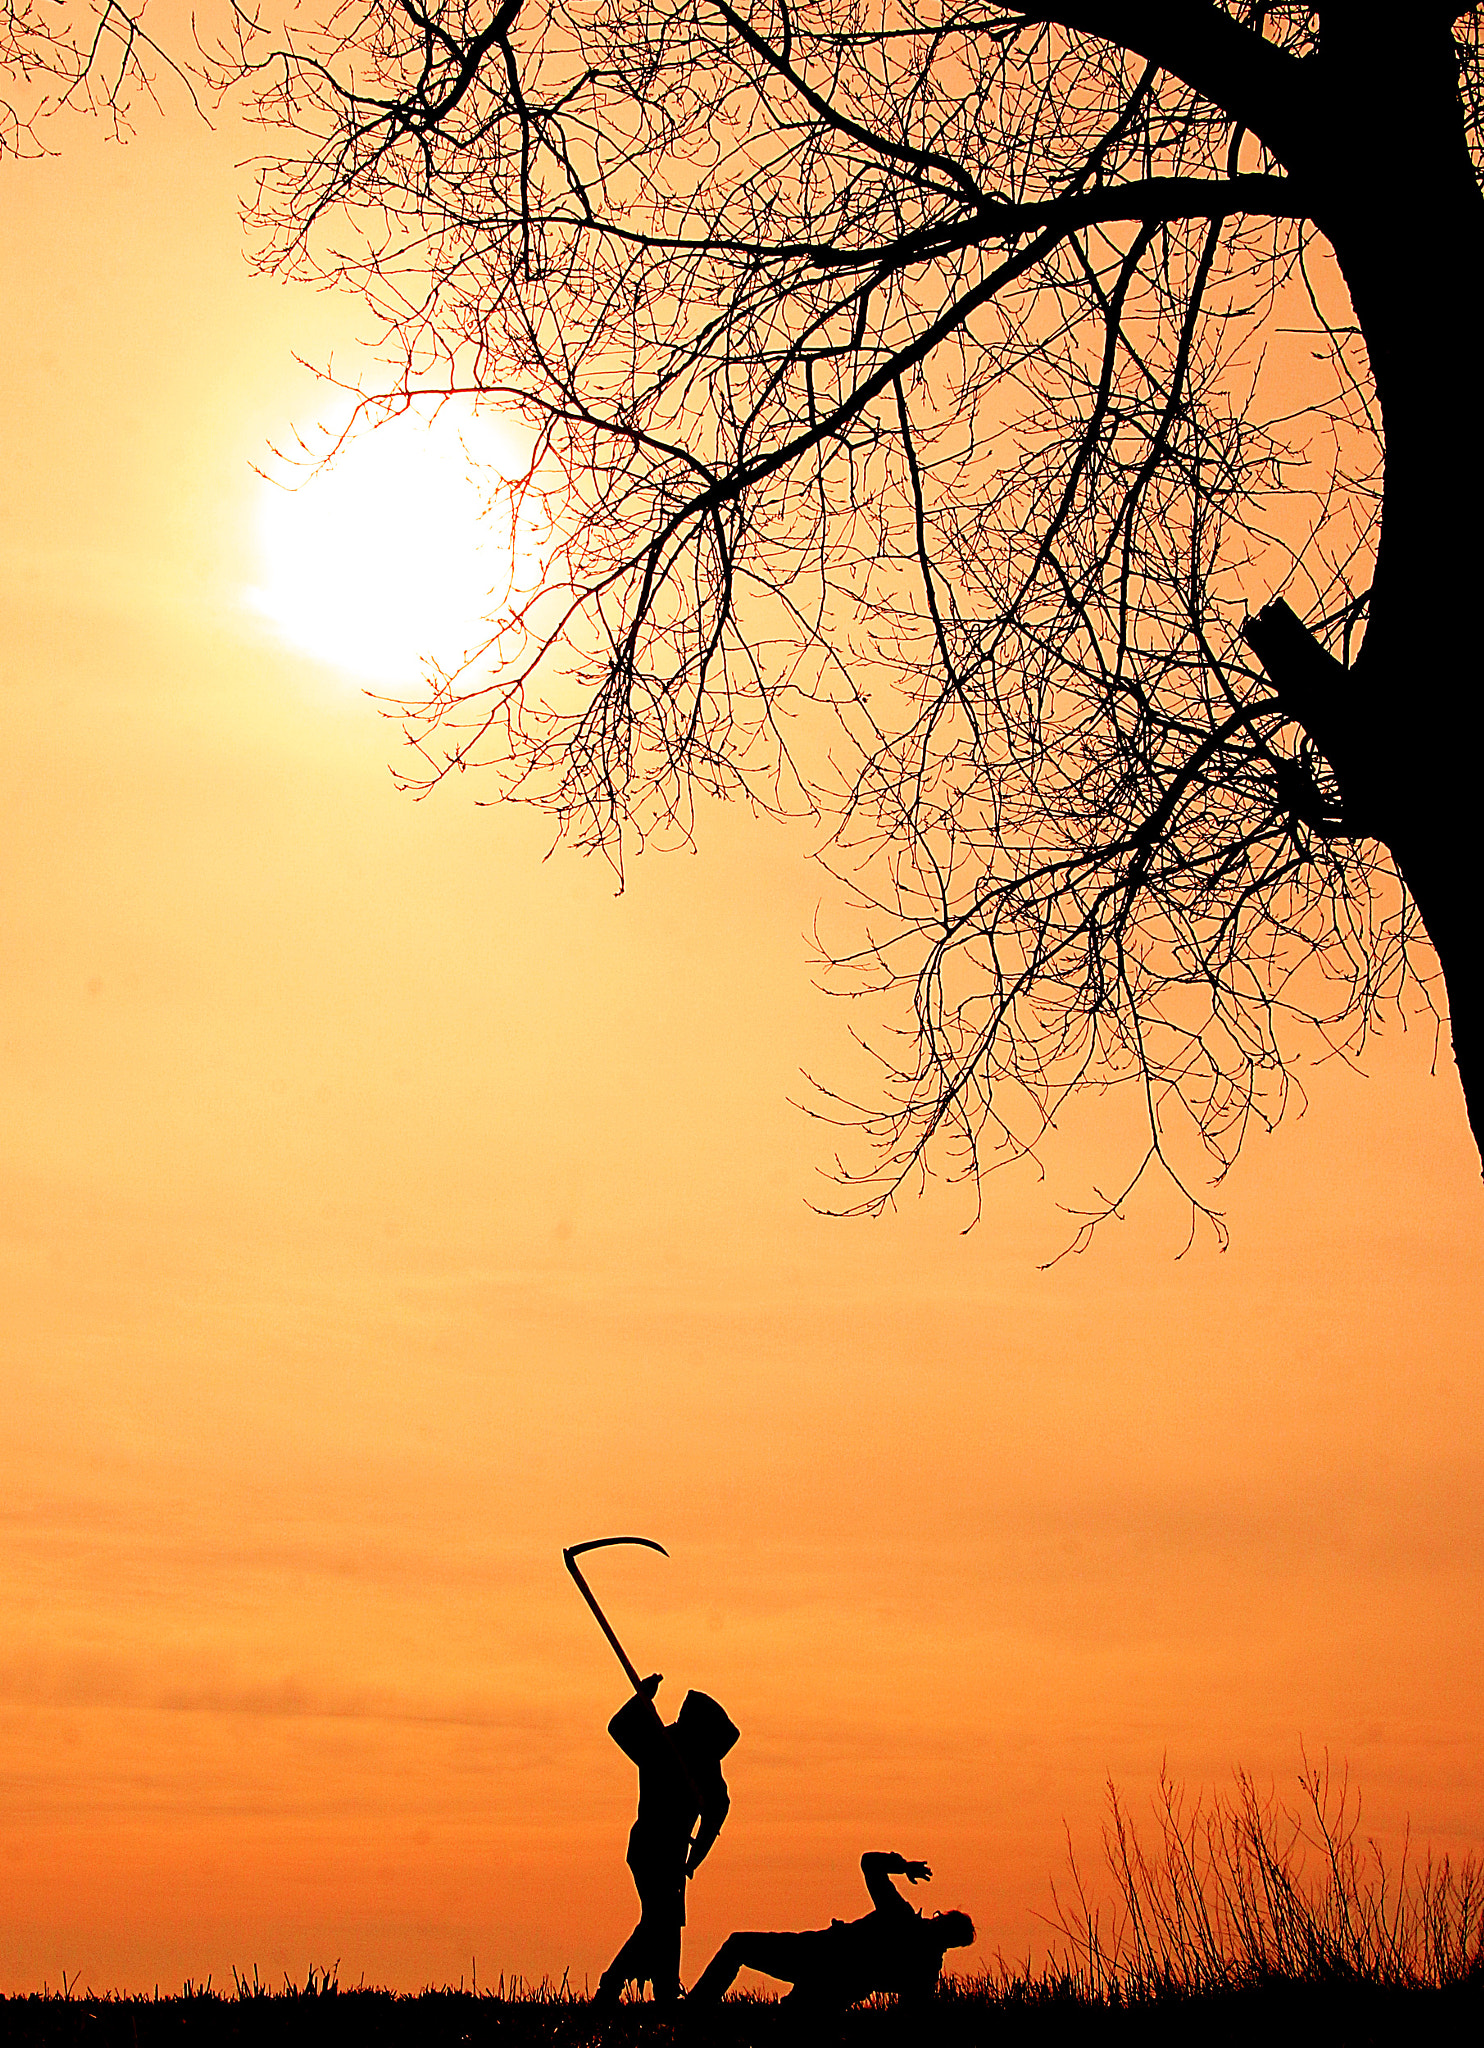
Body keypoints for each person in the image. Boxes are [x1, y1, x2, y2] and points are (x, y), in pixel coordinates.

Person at [594, 1673, 739, 2009]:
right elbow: (619, 1727)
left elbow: (719, 1806)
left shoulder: (700, 1760)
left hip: (670, 1850)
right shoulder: (663, 1745)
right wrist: (642, 1697)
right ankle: (615, 1983)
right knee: (661, 1919)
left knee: (666, 1919)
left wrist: (695, 1856)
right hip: (649, 1847)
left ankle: (663, 1989)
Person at [687, 1851, 974, 2010]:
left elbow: (869, 1863)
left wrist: (902, 1866)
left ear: (938, 1923)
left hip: (817, 1958)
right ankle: (695, 2015)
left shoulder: (901, 1919)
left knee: (738, 1945)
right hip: (833, 1988)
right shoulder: (925, 1970)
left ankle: (694, 2012)